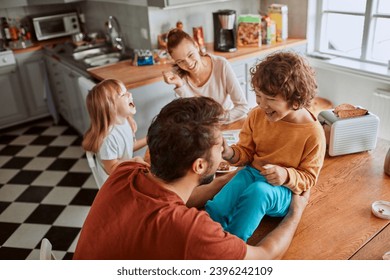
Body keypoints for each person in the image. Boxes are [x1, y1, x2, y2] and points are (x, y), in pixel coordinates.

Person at [73, 96, 310, 260]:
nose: (224, 149)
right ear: (199, 166)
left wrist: (225, 180)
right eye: (220, 146)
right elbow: (264, 258)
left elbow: (169, 200)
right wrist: (295, 213)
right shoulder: (192, 230)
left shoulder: (125, 172)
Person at [205, 51, 326, 242]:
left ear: (295, 101)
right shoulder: (256, 115)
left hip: (283, 190)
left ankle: (233, 244)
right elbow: (245, 153)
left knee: (258, 192)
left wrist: (285, 175)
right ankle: (205, 228)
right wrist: (228, 152)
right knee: (230, 192)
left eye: (270, 99)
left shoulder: (313, 133)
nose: (262, 105)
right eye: (258, 96)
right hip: (253, 174)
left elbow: (308, 178)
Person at [162, 28, 249, 124]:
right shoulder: (178, 75)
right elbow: (193, 111)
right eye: (180, 61)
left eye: (190, 55)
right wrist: (179, 85)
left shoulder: (221, 64)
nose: (188, 63)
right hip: (202, 128)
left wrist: (215, 120)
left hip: (227, 122)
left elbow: (242, 107)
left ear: (196, 46)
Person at [82, 79, 148, 182]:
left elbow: (128, 147)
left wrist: (149, 138)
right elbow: (112, 169)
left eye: (127, 91)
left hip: (126, 172)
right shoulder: (108, 138)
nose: (129, 94)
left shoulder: (124, 122)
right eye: (123, 94)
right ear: (110, 107)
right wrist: (133, 161)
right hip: (116, 182)